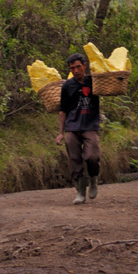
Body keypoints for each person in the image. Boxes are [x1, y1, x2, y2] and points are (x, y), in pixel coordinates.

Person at [55, 52, 100, 205]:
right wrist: (60, 133)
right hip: (72, 127)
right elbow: (62, 110)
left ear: (84, 66)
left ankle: (93, 179)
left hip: (89, 125)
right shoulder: (67, 86)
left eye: (78, 67)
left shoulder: (95, 82)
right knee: (74, 157)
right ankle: (81, 191)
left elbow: (110, 87)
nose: (75, 71)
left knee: (91, 157)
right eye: (72, 68)